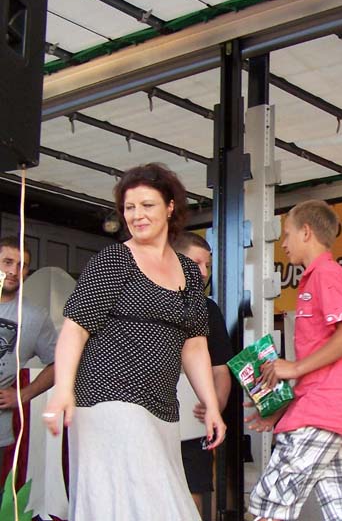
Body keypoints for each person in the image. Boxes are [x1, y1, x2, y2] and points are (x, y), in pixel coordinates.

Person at [42, 163, 226, 520]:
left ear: (170, 207)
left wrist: (212, 405)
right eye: (129, 207)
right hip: (108, 397)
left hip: (162, 405)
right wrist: (63, 390)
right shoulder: (114, 260)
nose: (137, 215)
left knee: (149, 503)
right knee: (151, 505)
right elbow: (74, 328)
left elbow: (195, 345)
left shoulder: (189, 272)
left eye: (147, 205)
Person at [246, 199, 342, 521]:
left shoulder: (326, 275)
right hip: (334, 415)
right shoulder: (318, 277)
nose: (283, 244)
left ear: (306, 232)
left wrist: (294, 367)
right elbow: (324, 358)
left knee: (270, 504)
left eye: (286, 234)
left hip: (322, 413)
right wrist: (280, 407)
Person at [173, 232, 233, 519]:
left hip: (192, 421)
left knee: (192, 493)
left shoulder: (208, 309)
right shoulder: (145, 298)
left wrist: (215, 405)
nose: (204, 272)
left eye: (207, 265)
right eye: (197, 263)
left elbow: (221, 368)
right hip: (149, 417)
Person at [0, 236, 58, 485]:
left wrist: (22, 395)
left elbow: (59, 363)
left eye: (22, 265)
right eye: (7, 262)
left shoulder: (34, 316)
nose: (14, 271)